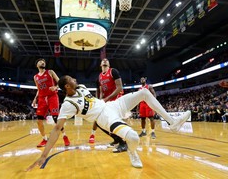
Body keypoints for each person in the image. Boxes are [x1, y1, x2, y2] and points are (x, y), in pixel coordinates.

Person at [26, 75, 191, 171]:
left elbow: (94, 98)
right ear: (68, 86)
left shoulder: (81, 86)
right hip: (104, 118)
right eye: (71, 79)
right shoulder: (68, 105)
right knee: (134, 138)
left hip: (112, 105)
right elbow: (56, 129)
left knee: (145, 92)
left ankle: (172, 123)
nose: (75, 79)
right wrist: (44, 155)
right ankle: (132, 152)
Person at [89, 58, 127, 153]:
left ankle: (123, 143)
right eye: (103, 60)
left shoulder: (113, 71)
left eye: (107, 60)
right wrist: (99, 100)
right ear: (100, 65)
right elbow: (100, 91)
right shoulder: (99, 76)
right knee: (99, 122)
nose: (105, 60)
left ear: (109, 64)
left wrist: (107, 98)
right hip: (106, 102)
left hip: (116, 101)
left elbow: (119, 88)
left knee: (113, 122)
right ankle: (117, 139)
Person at [32, 58, 70, 147]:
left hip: (52, 97)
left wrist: (56, 87)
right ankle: (45, 139)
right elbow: (38, 89)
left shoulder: (50, 72)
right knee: (39, 121)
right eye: (40, 61)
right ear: (37, 65)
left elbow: (60, 82)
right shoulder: (35, 77)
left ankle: (65, 136)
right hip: (41, 98)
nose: (42, 62)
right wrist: (35, 98)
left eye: (44, 62)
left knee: (56, 118)